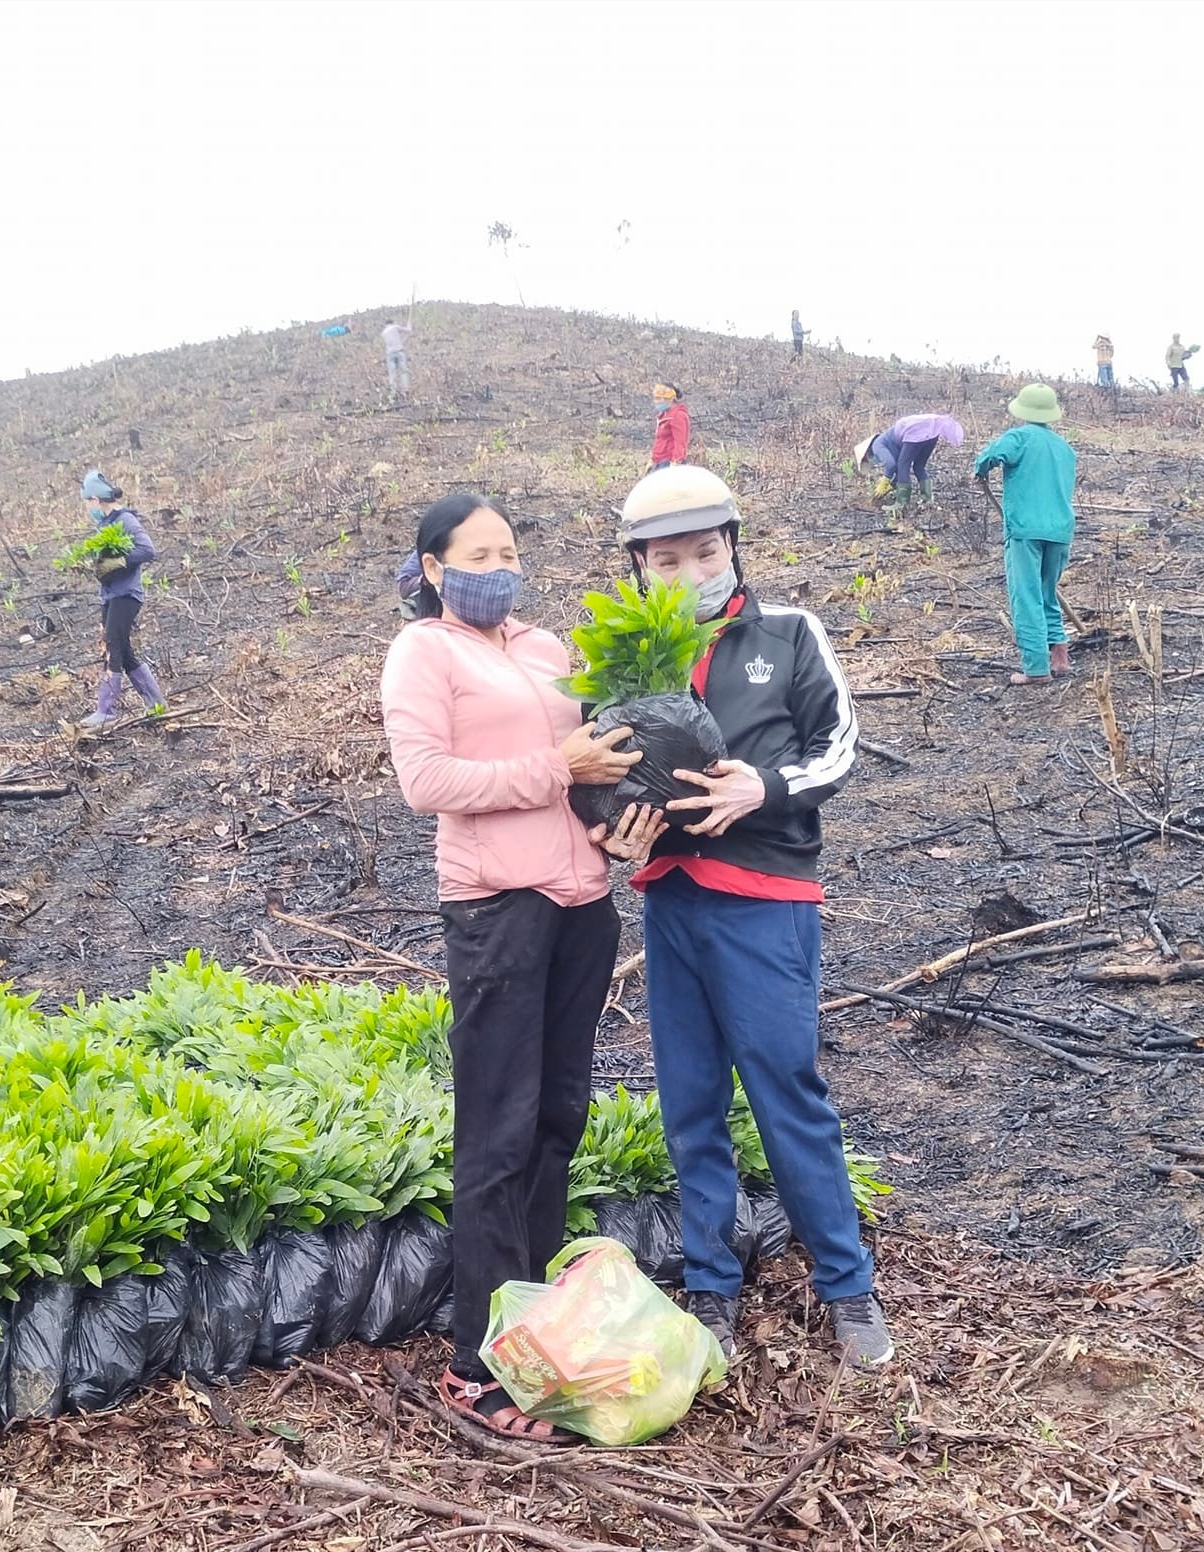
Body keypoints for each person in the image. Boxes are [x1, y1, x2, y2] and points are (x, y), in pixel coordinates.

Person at [380, 492, 665, 1440]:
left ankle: (535, 1323)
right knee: (498, 1133)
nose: (498, 563)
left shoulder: (546, 648)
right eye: (477, 551)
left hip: (582, 905)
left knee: (557, 1117)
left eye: (508, 547)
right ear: (433, 567)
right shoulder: (425, 651)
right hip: (497, 908)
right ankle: (479, 1362)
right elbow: (427, 782)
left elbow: (595, 772)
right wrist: (556, 764)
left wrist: (617, 831)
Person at [612, 464, 893, 1370]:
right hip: (672, 901)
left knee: (786, 1092)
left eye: (707, 550)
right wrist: (612, 832)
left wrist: (759, 786)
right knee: (690, 1101)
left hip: (766, 904)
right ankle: (710, 1288)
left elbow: (838, 746)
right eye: (666, 559)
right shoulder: (626, 659)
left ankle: (848, 1289)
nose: (691, 571)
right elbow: (597, 772)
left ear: (733, 547)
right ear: (638, 569)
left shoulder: (788, 635)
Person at [972, 384, 1077, 687]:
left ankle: (1035, 668)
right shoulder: (1064, 448)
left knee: (1027, 596)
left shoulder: (1019, 437)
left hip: (1025, 530)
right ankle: (1060, 658)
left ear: (1022, 410)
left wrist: (981, 469)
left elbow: (991, 455)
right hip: (1060, 531)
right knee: (1048, 591)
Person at [78, 471, 168, 729]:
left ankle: (106, 710)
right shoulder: (105, 525)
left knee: (111, 647)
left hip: (126, 595)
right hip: (110, 596)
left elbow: (147, 550)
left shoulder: (125, 520)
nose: (87, 508)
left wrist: (119, 562)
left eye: (87, 502)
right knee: (124, 651)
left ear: (96, 499)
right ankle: (156, 703)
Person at [854, 413, 965, 514]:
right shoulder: (890, 446)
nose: (872, 462)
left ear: (867, 454)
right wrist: (892, 485)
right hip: (932, 433)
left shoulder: (877, 445)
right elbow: (898, 471)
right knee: (919, 466)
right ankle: (927, 500)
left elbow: (891, 465)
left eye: (867, 461)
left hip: (914, 431)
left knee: (904, 464)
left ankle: (901, 504)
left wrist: (884, 481)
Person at [648, 382, 690, 470]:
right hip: (659, 462)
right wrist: (652, 459)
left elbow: (680, 442)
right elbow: (660, 440)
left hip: (668, 463)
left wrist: (676, 462)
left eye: (660, 399)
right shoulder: (663, 415)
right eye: (656, 398)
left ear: (671, 399)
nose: (657, 402)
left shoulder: (678, 416)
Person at [381, 319, 414, 399]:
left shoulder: (383, 333)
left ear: (386, 324)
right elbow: (408, 331)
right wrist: (409, 325)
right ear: (393, 322)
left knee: (392, 374)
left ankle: (393, 392)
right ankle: (405, 389)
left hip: (390, 354)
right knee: (403, 371)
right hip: (399, 352)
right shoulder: (395, 327)